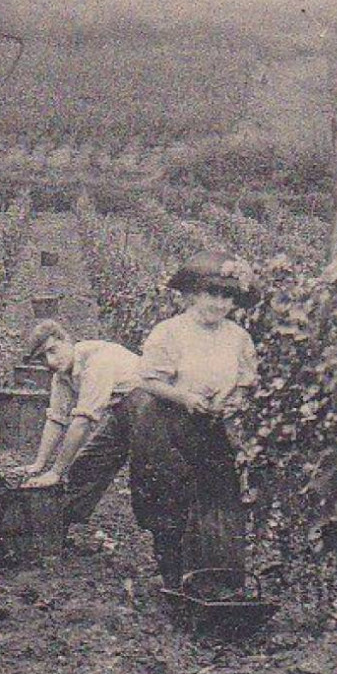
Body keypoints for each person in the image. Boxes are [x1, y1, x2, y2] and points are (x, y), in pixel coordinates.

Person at [129, 251, 259, 590]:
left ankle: (214, 579)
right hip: (167, 425)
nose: (219, 303)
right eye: (212, 294)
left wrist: (231, 402)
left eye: (227, 296)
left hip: (212, 428)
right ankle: (173, 579)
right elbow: (148, 380)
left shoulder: (238, 337)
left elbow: (246, 383)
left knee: (219, 501)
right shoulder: (170, 332)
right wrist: (186, 397)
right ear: (192, 295)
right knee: (170, 500)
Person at [19, 320, 145, 528]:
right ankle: (57, 529)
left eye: (52, 350)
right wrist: (40, 464)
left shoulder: (96, 362)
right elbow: (57, 419)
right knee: (85, 466)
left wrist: (56, 472)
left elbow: (83, 422)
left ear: (66, 340)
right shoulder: (61, 373)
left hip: (150, 408)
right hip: (121, 412)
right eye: (42, 358)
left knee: (146, 479)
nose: (50, 361)